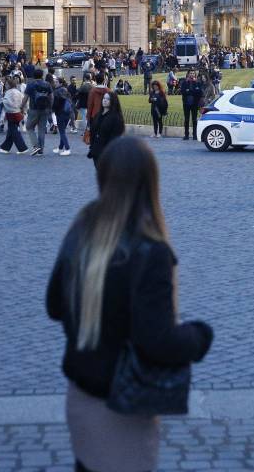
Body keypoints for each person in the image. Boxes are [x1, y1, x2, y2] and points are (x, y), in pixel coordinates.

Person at [46, 136, 213, 472]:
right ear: (150, 182)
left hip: (80, 397)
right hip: (121, 405)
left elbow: (53, 305)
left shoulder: (84, 225)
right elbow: (157, 341)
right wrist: (199, 336)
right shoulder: (150, 252)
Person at [87, 91, 125, 174]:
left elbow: (115, 138)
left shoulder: (116, 118)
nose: (105, 100)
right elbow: (93, 131)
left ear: (113, 101)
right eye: (104, 98)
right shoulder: (98, 115)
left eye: (108, 99)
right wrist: (92, 146)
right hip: (96, 151)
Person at [0, 78, 29, 155]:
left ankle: (22, 148)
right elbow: (24, 101)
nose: (5, 85)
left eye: (6, 84)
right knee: (11, 131)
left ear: (9, 85)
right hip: (18, 112)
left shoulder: (8, 92)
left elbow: (7, 102)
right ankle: (5, 148)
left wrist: (2, 100)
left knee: (14, 131)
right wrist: (24, 110)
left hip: (11, 113)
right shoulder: (18, 92)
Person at [52, 77, 74, 156]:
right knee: (63, 130)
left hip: (60, 113)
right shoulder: (66, 89)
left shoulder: (56, 91)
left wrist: (53, 109)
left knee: (62, 131)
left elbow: (56, 103)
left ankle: (67, 148)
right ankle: (60, 147)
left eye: (56, 82)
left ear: (60, 83)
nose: (55, 83)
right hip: (67, 112)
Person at [179, 71, 202, 141]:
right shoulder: (185, 82)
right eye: (190, 73)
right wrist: (192, 91)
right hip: (186, 103)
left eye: (193, 73)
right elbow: (183, 91)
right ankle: (186, 135)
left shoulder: (198, 83)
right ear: (188, 74)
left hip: (194, 103)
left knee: (194, 120)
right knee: (186, 119)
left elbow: (199, 92)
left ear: (195, 75)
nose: (192, 75)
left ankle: (195, 135)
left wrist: (189, 91)